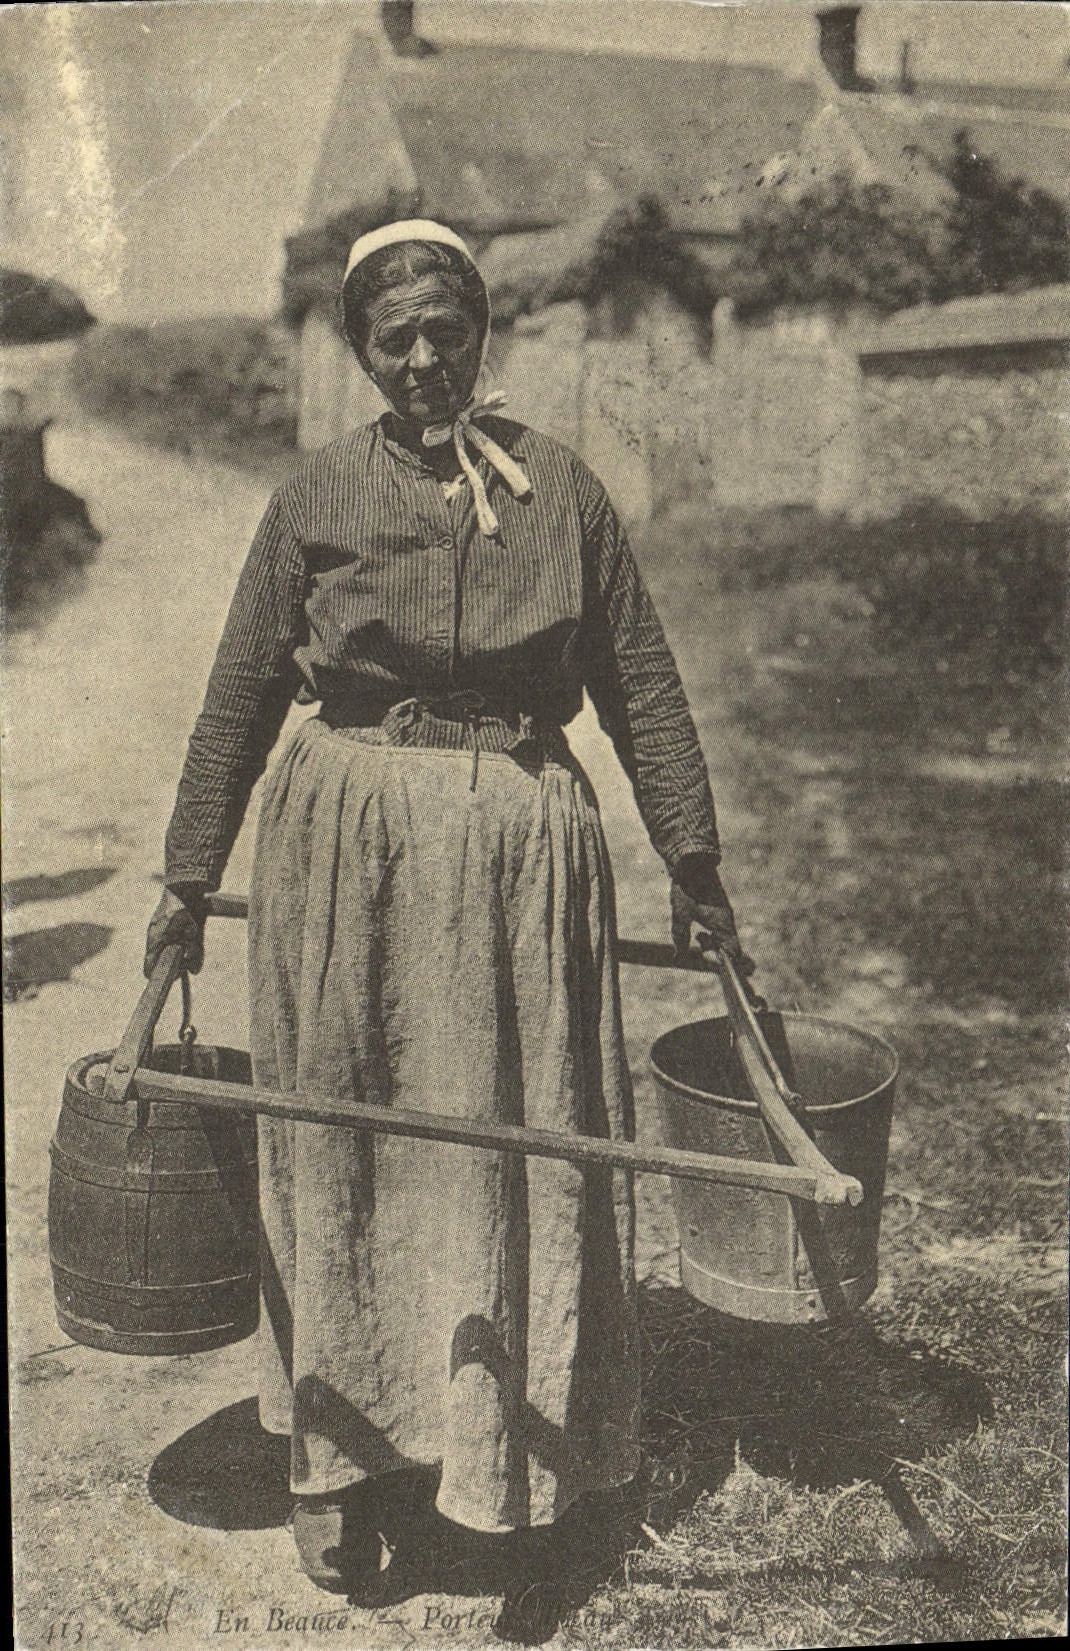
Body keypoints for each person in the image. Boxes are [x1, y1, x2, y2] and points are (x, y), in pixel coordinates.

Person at [144, 220, 747, 1595]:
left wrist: (695, 870)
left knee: (512, 1153)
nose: (422, 360)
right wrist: (185, 881)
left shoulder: (565, 494)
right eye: (392, 338)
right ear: (360, 350)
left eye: (445, 332)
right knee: (347, 1151)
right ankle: (344, 1466)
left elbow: (640, 688)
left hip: (516, 860)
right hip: (345, 848)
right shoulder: (312, 498)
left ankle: (515, 1473)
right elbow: (239, 697)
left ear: (484, 335)